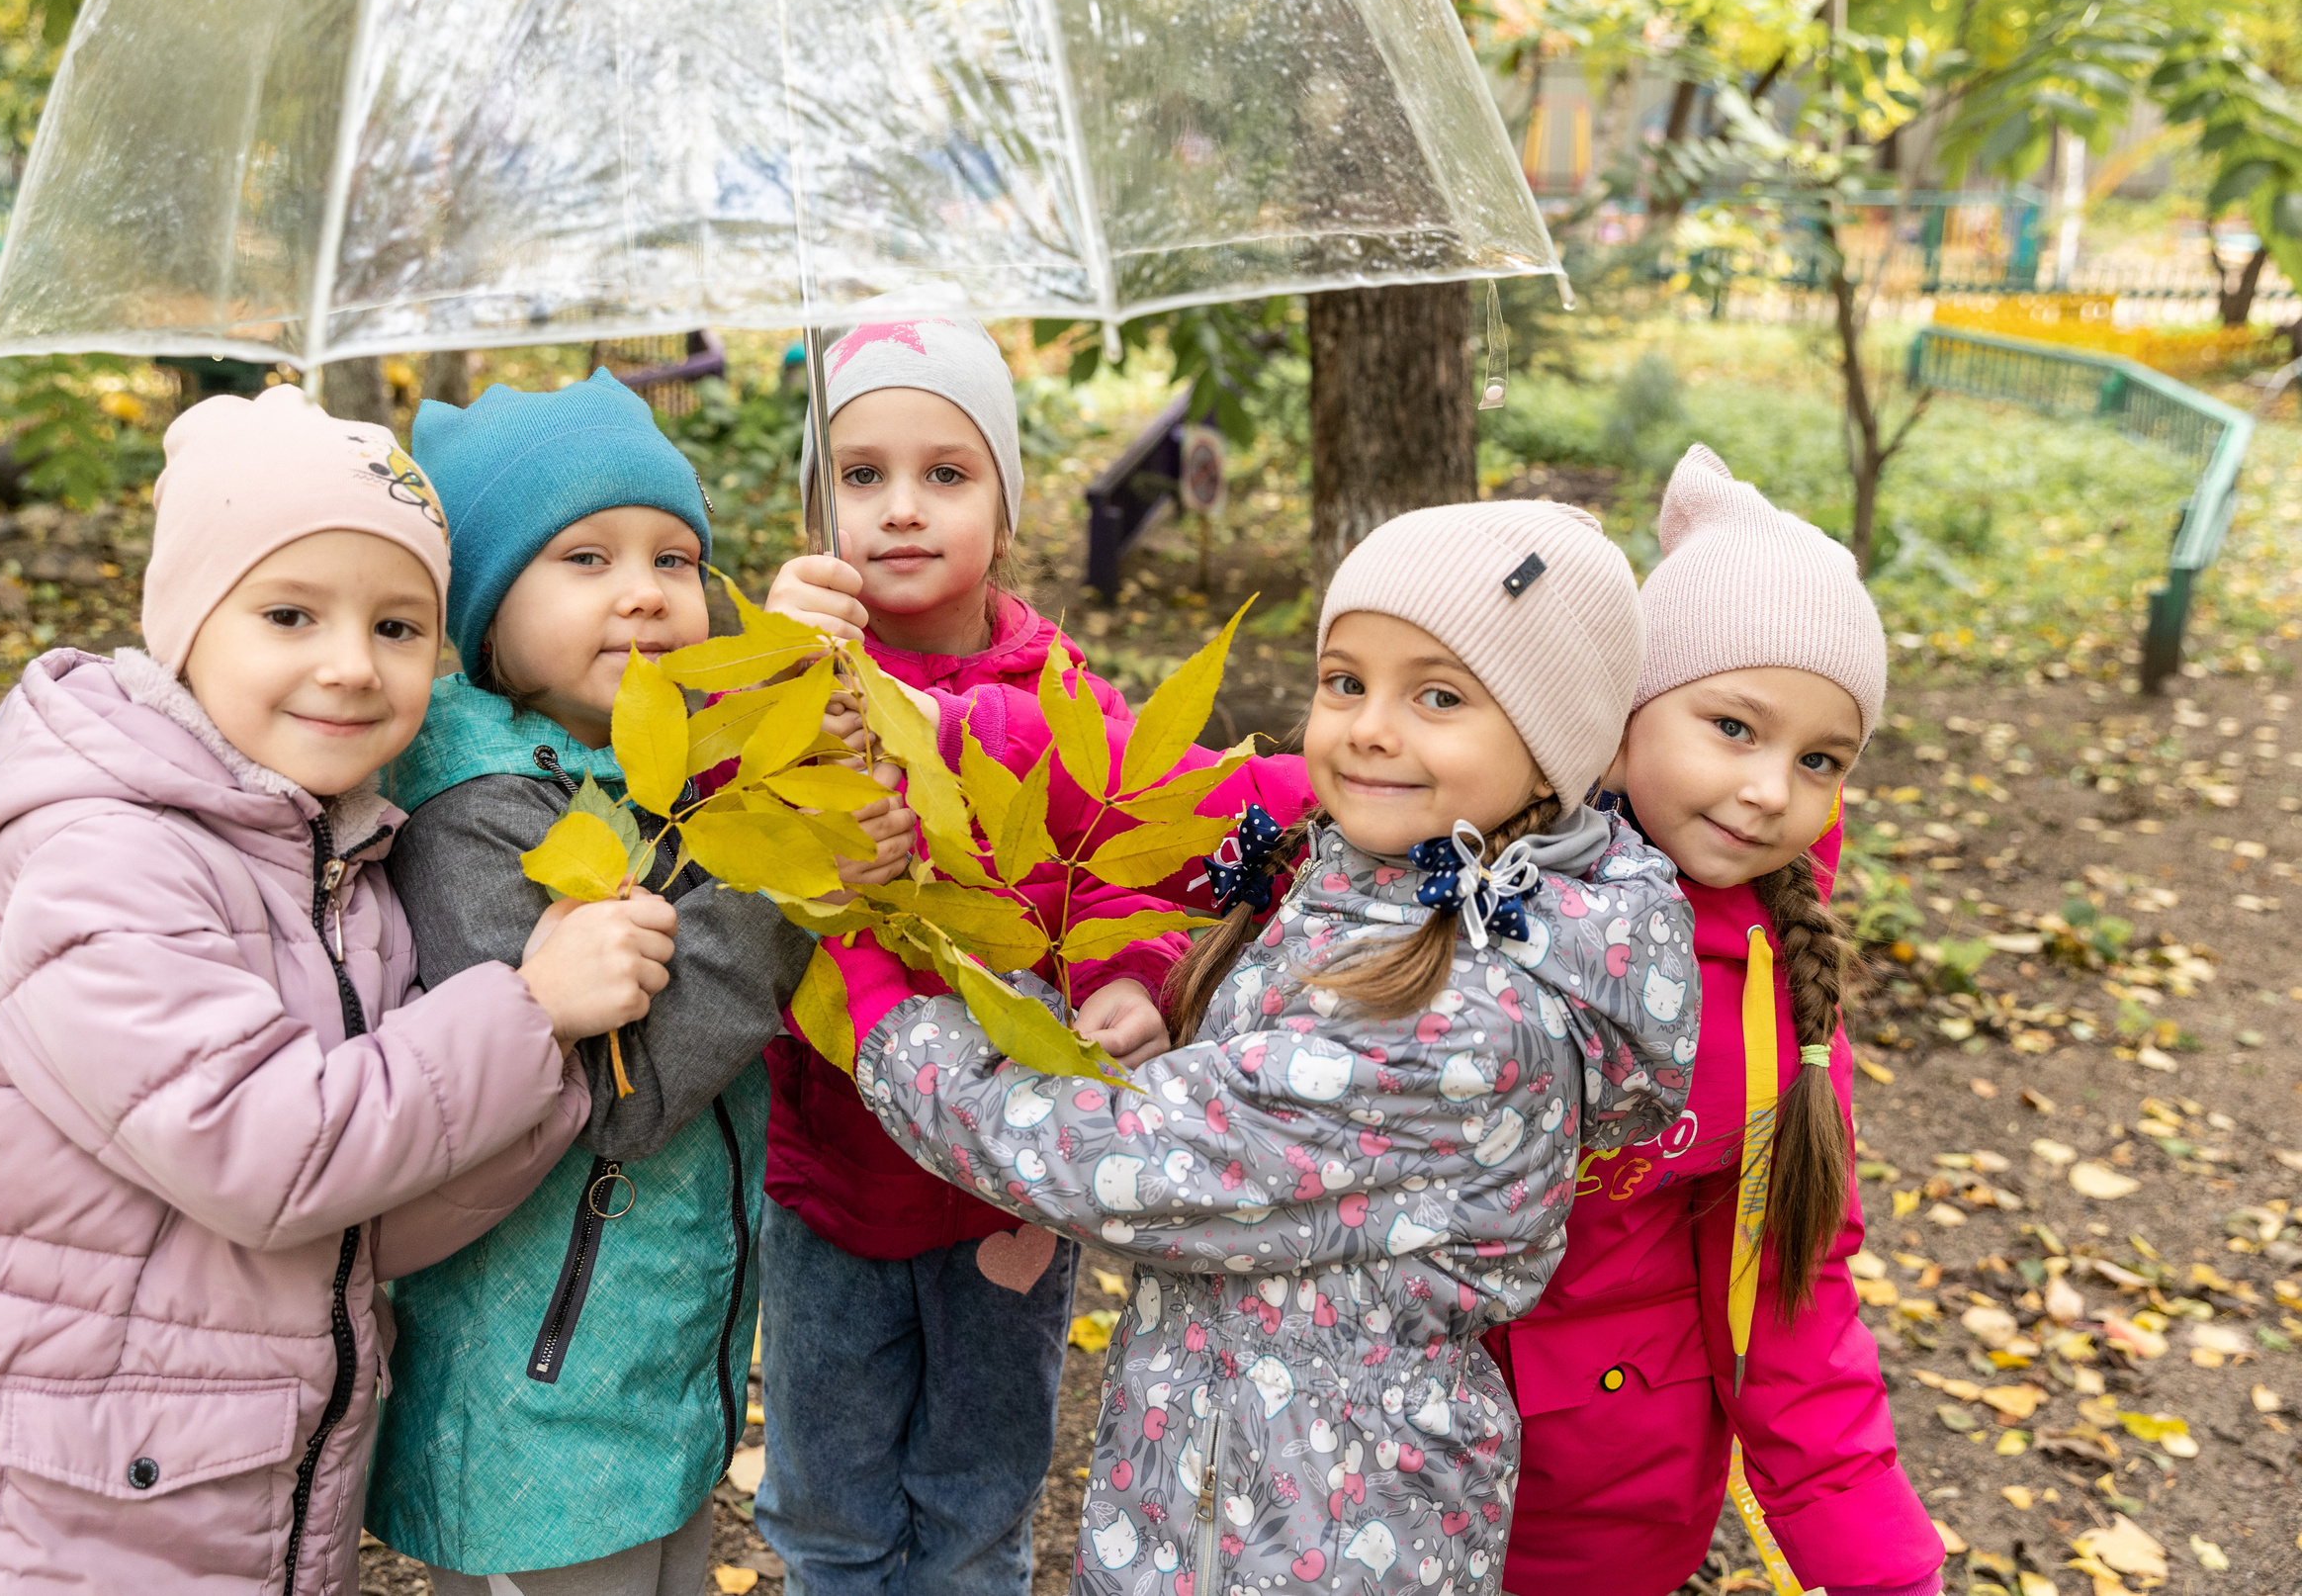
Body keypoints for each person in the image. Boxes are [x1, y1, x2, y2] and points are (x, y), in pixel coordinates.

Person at [0, 386, 669, 1595]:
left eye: (397, 628)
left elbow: (373, 1219)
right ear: (186, 624)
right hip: (49, 1522)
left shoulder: (335, 864)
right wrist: (526, 1009)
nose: (349, 665)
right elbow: (268, 1156)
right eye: (290, 613)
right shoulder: (100, 860)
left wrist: (545, 1078)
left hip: (230, 1501)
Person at [811, 499, 1702, 1595]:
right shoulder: (1370, 883)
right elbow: (1195, 865)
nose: (1371, 726)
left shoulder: (1465, 1024)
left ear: (1556, 744)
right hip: (1220, 1491)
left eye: (1438, 695)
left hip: (1317, 1546)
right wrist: (1149, 994)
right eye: (1344, 681)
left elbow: (1101, 1156)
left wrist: (865, 976)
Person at [363, 370, 910, 1596]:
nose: (644, 593)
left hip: (655, 1369)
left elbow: (727, 901)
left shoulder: (654, 772)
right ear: (486, 613)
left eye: (675, 558)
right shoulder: (474, 822)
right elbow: (619, 1091)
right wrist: (785, 877)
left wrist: (805, 769)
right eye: (585, 558)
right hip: (534, 1406)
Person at [755, 310, 1172, 1595]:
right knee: (830, 1491)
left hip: (1004, 1188)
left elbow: (1117, 855)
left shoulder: (1058, 690)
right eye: (861, 475)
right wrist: (773, 677)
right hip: (834, 1170)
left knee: (980, 1489)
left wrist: (1126, 979)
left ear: (1006, 501)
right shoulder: (796, 672)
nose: (900, 507)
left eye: (946, 472)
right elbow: (724, 819)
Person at [1493, 445, 1941, 1596]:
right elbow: (1253, 806)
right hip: (1355, 1449)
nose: (1767, 789)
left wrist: (1877, 1569)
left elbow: (1792, 1293)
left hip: (1599, 1500)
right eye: (1733, 727)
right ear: (1628, 707)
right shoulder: (1470, 850)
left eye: (1818, 759)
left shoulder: (1772, 998)